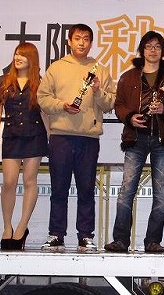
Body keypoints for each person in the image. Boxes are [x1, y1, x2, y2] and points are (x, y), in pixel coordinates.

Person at [37, 24, 116, 252]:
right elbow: (42, 98)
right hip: (60, 137)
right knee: (58, 189)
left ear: (91, 43)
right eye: (78, 38)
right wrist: (62, 105)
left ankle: (85, 236)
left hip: (88, 138)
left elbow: (110, 103)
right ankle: (56, 234)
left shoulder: (100, 69)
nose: (82, 42)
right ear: (69, 42)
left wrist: (98, 91)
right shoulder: (57, 67)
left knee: (86, 189)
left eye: (86, 39)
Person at [104, 32, 164, 254]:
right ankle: (120, 240)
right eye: (149, 46)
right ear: (142, 50)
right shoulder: (129, 76)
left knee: (161, 191)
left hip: (162, 138)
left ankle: (153, 241)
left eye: (157, 46)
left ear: (163, 50)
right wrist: (129, 117)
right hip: (135, 138)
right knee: (126, 189)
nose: (153, 50)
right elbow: (119, 105)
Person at [0, 42, 49, 251]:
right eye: (16, 54)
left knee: (30, 180)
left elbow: (46, 113)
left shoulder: (40, 83)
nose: (18, 58)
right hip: (12, 134)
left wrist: (51, 137)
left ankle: (22, 227)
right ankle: (7, 227)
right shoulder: (4, 81)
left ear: (32, 59)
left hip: (35, 135)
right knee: (9, 181)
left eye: (23, 55)